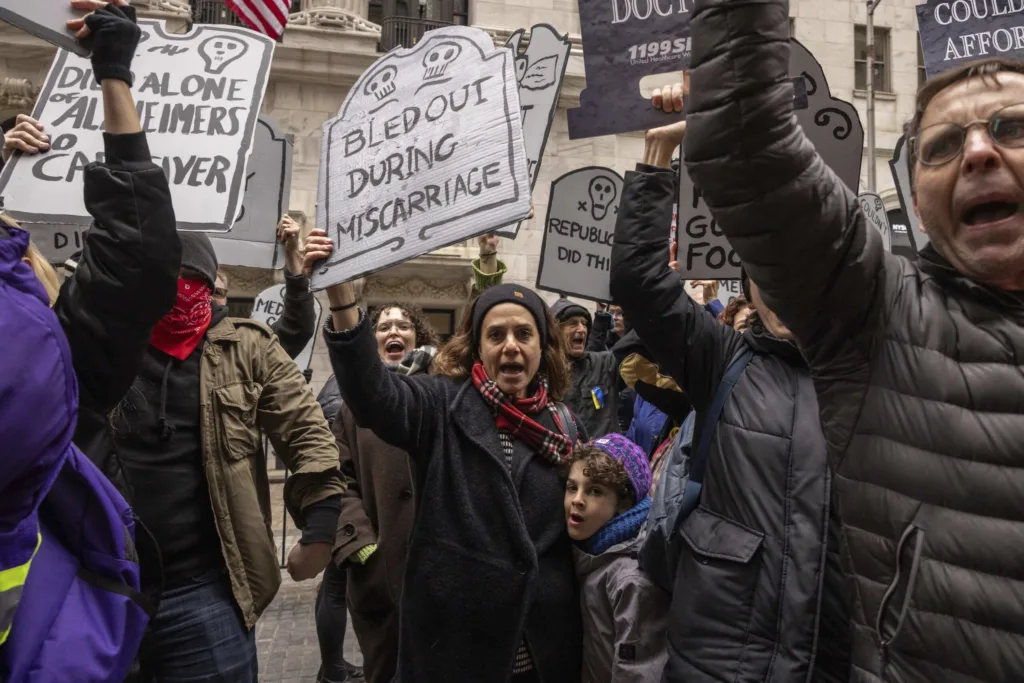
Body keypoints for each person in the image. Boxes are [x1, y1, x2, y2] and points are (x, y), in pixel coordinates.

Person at [680, 0, 1024, 677]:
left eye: (1012, 127)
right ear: (917, 201)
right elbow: (746, 148)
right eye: (942, 146)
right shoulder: (879, 312)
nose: (979, 152)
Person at [609, 122, 849, 683]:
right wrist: (659, 156)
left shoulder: (867, 373)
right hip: (718, 662)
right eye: (767, 272)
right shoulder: (723, 359)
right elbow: (639, 280)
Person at [310, 227, 585, 683]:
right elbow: (372, 394)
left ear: (542, 347)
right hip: (458, 649)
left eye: (524, 333)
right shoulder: (439, 405)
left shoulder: (564, 425)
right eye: (496, 335)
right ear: (478, 348)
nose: (511, 345)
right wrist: (342, 299)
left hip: (543, 650)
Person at [100, 230, 343, 682]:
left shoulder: (247, 346)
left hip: (202, 593)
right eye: (167, 276)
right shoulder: (102, 341)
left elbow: (305, 430)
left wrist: (321, 525)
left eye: (193, 281)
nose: (179, 290)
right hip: (98, 585)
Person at [314, 303, 439, 683]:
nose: (394, 331)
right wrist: (361, 546)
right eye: (384, 327)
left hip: (441, 570)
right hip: (382, 577)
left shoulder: (444, 392)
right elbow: (338, 478)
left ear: (418, 336)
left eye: (403, 325)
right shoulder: (351, 406)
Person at [565, 435, 668, 683]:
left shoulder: (631, 579)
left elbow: (638, 672)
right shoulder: (592, 553)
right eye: (572, 487)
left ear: (623, 503)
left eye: (595, 491)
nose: (577, 499)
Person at [214, 214, 316, 360]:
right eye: (202, 289)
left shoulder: (241, 350)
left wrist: (292, 255)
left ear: (225, 299)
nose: (209, 298)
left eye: (217, 292)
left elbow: (296, 329)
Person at [552, 298, 622, 438]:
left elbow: (634, 349)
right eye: (573, 323)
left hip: (603, 451)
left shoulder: (605, 363)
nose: (581, 329)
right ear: (555, 332)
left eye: (584, 324)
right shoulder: (544, 372)